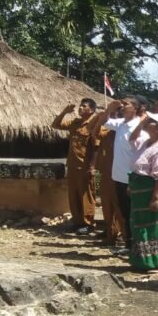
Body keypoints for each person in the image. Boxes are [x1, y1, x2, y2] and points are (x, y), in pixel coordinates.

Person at [94, 96, 149, 255]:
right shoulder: (120, 124)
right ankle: (129, 244)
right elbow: (103, 122)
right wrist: (110, 109)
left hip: (133, 178)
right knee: (125, 213)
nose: (123, 106)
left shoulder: (140, 129)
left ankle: (138, 246)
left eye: (126, 104)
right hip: (118, 176)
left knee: (134, 213)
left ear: (136, 108)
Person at [127, 113, 158, 273]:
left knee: (151, 226)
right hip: (139, 190)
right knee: (138, 224)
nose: (149, 123)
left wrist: (155, 198)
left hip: (151, 191)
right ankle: (141, 261)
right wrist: (142, 123)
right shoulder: (146, 143)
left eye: (152, 122)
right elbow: (132, 139)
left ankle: (153, 261)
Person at [52, 99, 97, 234]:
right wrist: (64, 112)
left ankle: (88, 223)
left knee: (86, 195)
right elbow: (56, 125)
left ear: (92, 110)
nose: (81, 108)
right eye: (80, 106)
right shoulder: (75, 123)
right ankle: (77, 222)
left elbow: (96, 148)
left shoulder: (94, 124)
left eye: (84, 106)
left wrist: (91, 167)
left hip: (85, 166)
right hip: (72, 165)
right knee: (74, 195)